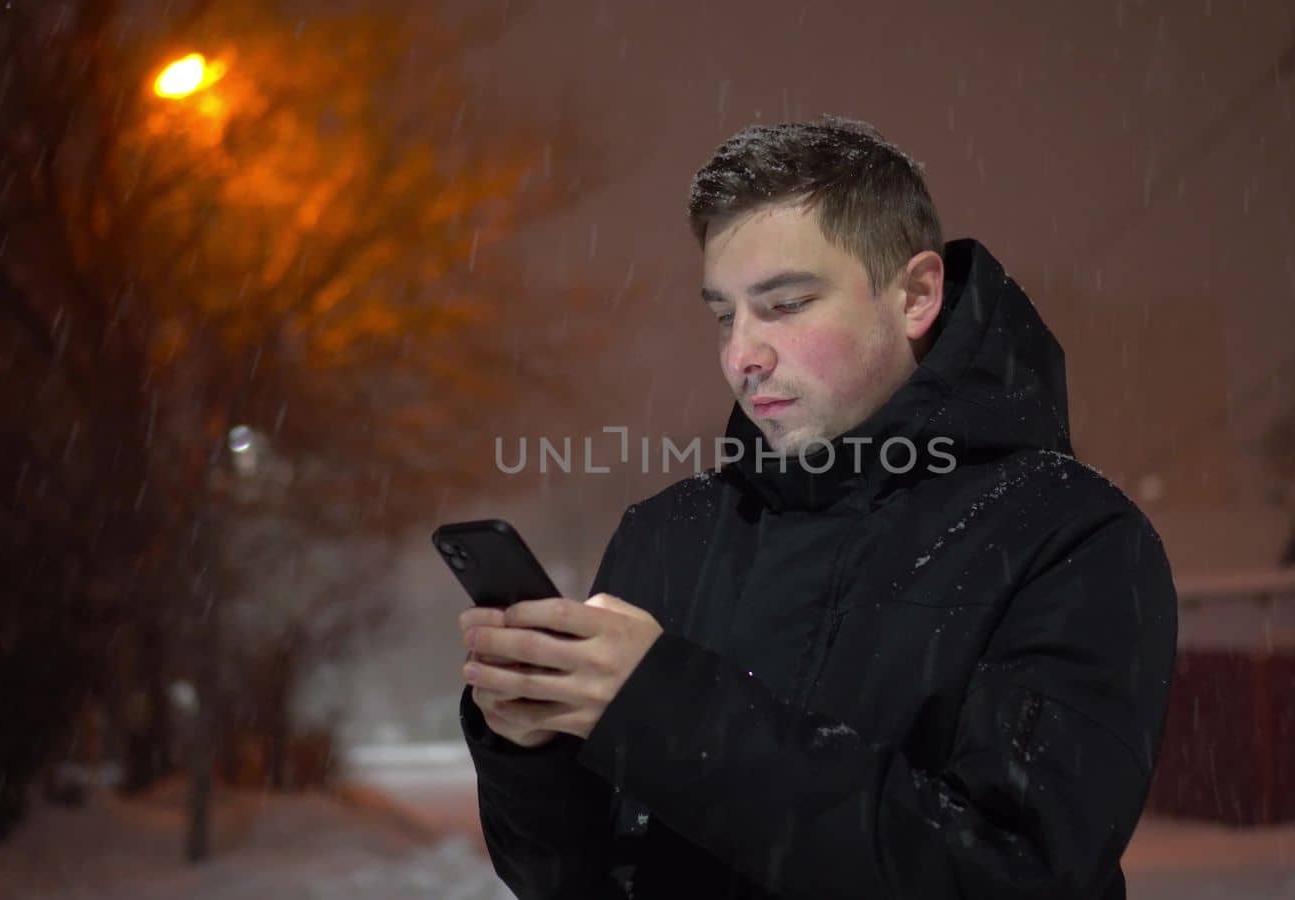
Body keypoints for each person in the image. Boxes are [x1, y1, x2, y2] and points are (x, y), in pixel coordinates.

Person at [457, 116, 1178, 899]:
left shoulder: (1072, 539)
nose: (741, 354)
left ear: (916, 294)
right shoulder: (668, 535)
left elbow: (1011, 876)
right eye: (723, 314)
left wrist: (665, 711)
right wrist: (528, 749)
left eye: (787, 304)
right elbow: (570, 880)